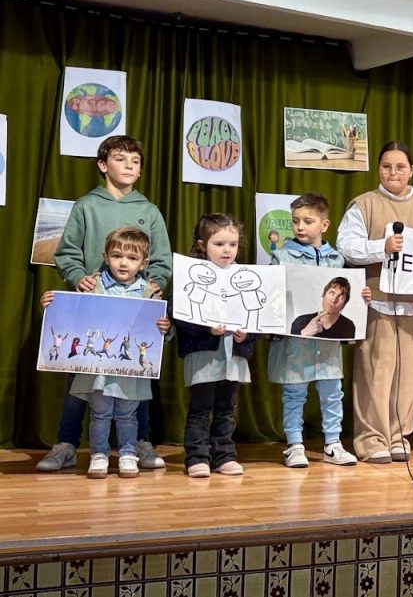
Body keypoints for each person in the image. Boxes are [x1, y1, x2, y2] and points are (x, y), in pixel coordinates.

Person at [38, 135, 171, 473]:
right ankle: (67, 444)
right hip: (93, 304)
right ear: (102, 165)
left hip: (134, 307)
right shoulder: (86, 205)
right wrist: (78, 275)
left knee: (135, 374)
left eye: (135, 161)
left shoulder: (148, 210)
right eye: (120, 159)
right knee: (80, 377)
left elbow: (161, 260)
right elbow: (67, 252)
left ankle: (140, 443)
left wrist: (154, 282)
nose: (129, 166)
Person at [338, 141, 413, 463]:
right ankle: (371, 440)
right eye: (387, 166)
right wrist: (382, 247)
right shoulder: (364, 204)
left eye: (400, 167)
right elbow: (347, 247)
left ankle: (399, 436)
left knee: (407, 374)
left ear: (411, 170)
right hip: (377, 302)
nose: (393, 173)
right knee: (376, 372)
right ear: (378, 169)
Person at [41, 228, 170, 478]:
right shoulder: (94, 286)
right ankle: (98, 455)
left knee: (128, 414)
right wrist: (52, 304)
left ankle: (127, 454)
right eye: (117, 256)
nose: (123, 263)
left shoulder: (150, 292)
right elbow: (73, 316)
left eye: (132, 258)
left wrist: (166, 328)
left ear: (144, 262)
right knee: (99, 413)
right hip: (97, 369)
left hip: (130, 371)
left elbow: (159, 333)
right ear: (105, 256)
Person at [269, 193, 366, 468]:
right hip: (295, 344)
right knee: (294, 393)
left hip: (328, 346)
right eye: (295, 221)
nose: (300, 227)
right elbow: (273, 295)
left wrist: (361, 297)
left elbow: (349, 296)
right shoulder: (281, 256)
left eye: (308, 221)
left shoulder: (337, 259)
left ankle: (332, 443)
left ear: (324, 225)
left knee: (332, 392)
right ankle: (295, 444)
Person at [174, 214, 258, 478]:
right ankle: (197, 456)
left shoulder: (246, 277)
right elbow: (178, 314)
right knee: (200, 408)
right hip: (203, 354)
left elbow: (259, 315)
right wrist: (206, 328)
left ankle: (224, 455)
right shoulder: (190, 275)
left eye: (232, 244)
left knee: (226, 408)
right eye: (219, 243)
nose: (227, 250)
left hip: (233, 355)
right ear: (202, 245)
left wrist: (248, 335)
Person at [290, 278, 357, 340]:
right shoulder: (301, 321)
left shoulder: (348, 326)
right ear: (324, 295)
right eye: (332, 293)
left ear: (344, 305)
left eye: (340, 297)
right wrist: (303, 335)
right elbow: (288, 350)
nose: (334, 300)